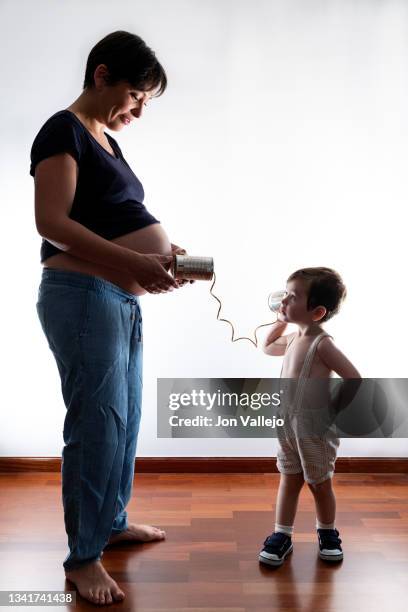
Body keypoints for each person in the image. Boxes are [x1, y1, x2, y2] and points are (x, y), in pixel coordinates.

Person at [31, 31, 192, 605]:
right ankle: (83, 558)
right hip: (82, 297)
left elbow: (112, 219)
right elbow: (51, 222)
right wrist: (133, 259)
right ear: (101, 76)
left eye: (147, 101)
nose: (139, 109)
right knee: (96, 424)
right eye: (135, 94)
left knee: (122, 419)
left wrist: (157, 261)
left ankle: (111, 522)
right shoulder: (63, 129)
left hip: (117, 300)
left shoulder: (107, 141)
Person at [258, 267, 361, 567]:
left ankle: (327, 532)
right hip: (287, 424)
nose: (284, 300)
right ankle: (282, 535)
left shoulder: (322, 344)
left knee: (319, 483)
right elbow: (266, 347)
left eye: (293, 297)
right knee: (289, 478)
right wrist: (279, 321)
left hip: (314, 427)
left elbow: (353, 379)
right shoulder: (292, 338)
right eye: (285, 293)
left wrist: (332, 411)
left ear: (316, 313)